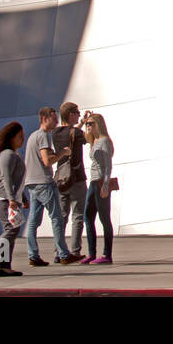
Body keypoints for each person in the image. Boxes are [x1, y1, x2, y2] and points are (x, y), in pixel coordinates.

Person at [24, 106, 74, 266]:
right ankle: (64, 254)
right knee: (57, 218)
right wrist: (62, 154)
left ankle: (33, 255)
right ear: (45, 118)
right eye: (54, 118)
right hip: (44, 183)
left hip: (32, 183)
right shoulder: (43, 136)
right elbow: (47, 161)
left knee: (33, 221)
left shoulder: (32, 136)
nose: (57, 121)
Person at [0, 121, 27, 277]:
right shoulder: (7, 154)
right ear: (11, 138)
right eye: (20, 136)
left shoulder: (13, 154)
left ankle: (4, 266)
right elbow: (6, 178)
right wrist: (11, 199)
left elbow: (17, 181)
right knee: (11, 229)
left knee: (12, 230)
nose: (23, 139)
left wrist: (23, 197)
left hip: (6, 197)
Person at [52, 102, 87, 263]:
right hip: (77, 178)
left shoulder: (56, 133)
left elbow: (71, 134)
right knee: (78, 216)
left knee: (61, 217)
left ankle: (59, 252)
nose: (79, 115)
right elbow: (84, 137)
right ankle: (74, 250)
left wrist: (81, 124)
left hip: (61, 179)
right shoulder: (77, 133)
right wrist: (88, 125)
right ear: (71, 114)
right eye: (77, 113)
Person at [79, 111, 115, 265]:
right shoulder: (94, 140)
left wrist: (106, 185)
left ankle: (107, 254)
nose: (88, 126)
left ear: (98, 124)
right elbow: (79, 136)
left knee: (104, 218)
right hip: (93, 182)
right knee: (88, 216)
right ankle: (91, 253)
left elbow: (108, 165)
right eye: (87, 123)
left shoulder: (104, 141)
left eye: (91, 123)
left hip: (100, 181)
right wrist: (82, 121)